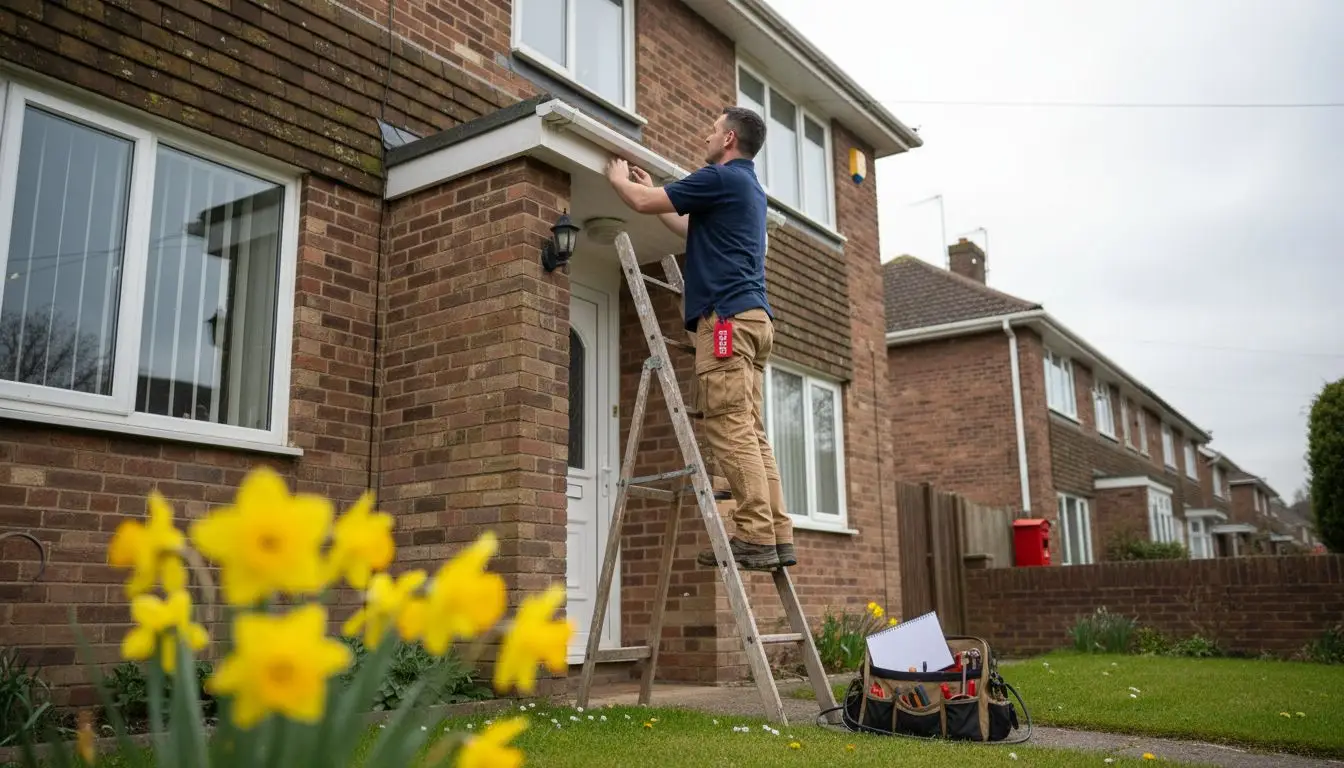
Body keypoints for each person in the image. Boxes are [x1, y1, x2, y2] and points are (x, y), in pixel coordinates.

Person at [604, 106, 794, 571]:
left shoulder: (720, 178)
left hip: (726, 322)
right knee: (750, 428)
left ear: (729, 139)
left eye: (712, 130)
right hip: (753, 321)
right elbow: (689, 227)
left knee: (729, 428)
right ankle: (778, 533)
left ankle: (753, 535)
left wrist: (617, 180)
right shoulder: (748, 189)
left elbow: (643, 206)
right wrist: (650, 189)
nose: (705, 136)